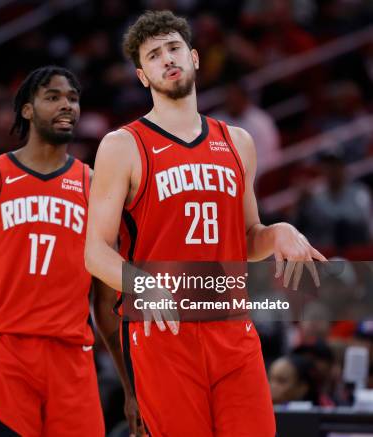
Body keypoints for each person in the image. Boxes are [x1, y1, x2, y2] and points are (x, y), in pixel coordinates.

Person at [84, 10, 326, 437]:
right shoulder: (122, 145)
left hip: (231, 324)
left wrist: (280, 232)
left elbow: (249, 238)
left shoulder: (237, 141)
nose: (167, 59)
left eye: (174, 48)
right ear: (143, 76)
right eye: (154, 55)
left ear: (194, 57)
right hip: (163, 330)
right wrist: (140, 284)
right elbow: (95, 252)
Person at [0, 66, 135, 436]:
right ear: (27, 109)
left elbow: (108, 305)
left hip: (72, 354)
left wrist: (133, 388)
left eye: (73, 99)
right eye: (53, 97)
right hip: (6, 353)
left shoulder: (95, 187)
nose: (67, 106)